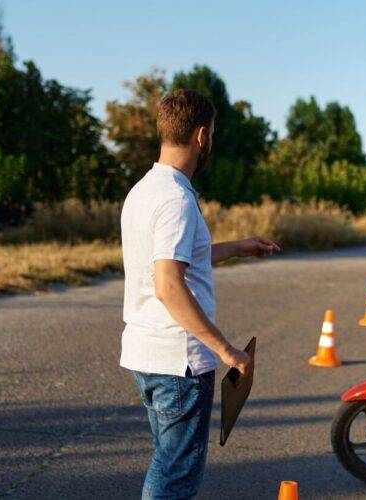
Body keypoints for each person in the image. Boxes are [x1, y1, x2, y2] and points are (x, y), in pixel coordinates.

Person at [119, 89, 280, 499]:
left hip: (148, 353)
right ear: (202, 136)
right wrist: (227, 351)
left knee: (167, 462)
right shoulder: (176, 199)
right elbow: (168, 284)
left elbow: (178, 258)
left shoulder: (144, 190)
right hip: (179, 362)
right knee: (176, 474)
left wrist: (238, 247)